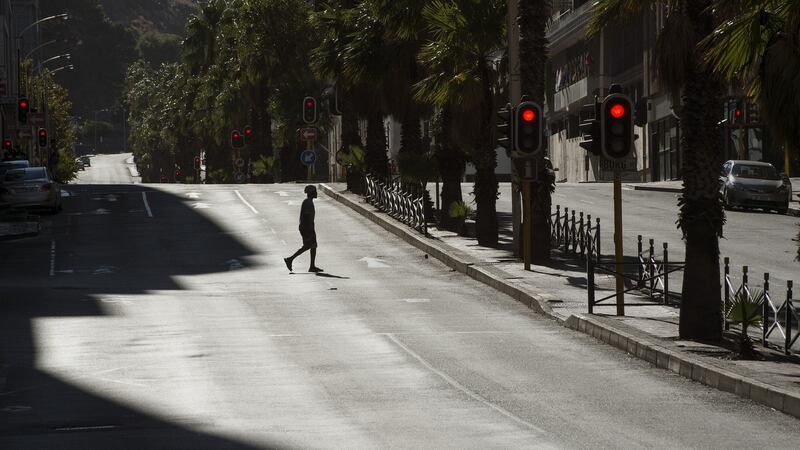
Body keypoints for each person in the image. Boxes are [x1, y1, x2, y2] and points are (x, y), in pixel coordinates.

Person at [284, 185, 323, 273]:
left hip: (308, 227)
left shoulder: (309, 201)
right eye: (315, 192)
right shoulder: (307, 202)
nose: (316, 193)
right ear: (312, 193)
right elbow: (306, 216)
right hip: (306, 228)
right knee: (308, 246)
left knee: (313, 245)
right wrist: (308, 229)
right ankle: (290, 259)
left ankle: (312, 266)